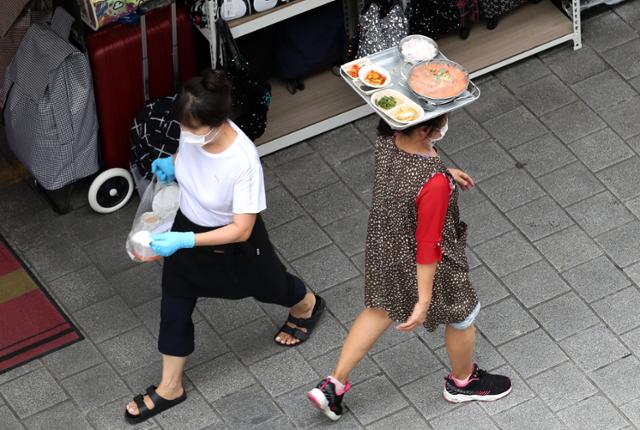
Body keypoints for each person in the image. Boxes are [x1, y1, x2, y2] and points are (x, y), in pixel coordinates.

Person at [125, 70, 325, 424]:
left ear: (218, 124)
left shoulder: (242, 160)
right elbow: (188, 154)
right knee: (174, 303)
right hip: (188, 226)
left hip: (232, 245)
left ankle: (306, 304)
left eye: (193, 130)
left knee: (271, 286)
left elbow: (242, 229)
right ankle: (170, 386)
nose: (185, 135)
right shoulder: (192, 130)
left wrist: (185, 240)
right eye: (183, 128)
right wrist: (172, 166)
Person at [307, 115, 512, 421]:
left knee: (379, 309)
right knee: (462, 315)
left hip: (386, 245)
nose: (446, 122)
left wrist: (444, 176)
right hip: (427, 260)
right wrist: (423, 300)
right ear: (425, 130)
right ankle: (463, 382)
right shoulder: (433, 182)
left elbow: (411, 182)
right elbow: (428, 245)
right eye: (442, 119)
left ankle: (333, 384)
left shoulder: (388, 143)